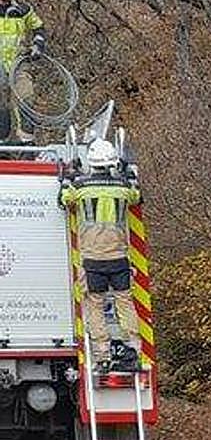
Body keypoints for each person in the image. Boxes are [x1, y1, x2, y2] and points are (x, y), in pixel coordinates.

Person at [59, 139, 142, 373]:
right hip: (119, 259)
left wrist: (68, 175)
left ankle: (103, 357)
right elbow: (137, 196)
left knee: (94, 305)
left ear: (91, 163)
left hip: (92, 260)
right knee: (124, 302)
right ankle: (132, 350)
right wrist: (130, 173)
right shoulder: (123, 188)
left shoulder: (82, 188)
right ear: (112, 162)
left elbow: (64, 200)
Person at [0, 0, 46, 143]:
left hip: (19, 64)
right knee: (1, 101)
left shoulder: (23, 10)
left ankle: (26, 142)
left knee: (27, 99)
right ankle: (1, 143)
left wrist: (37, 46)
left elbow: (39, 28)